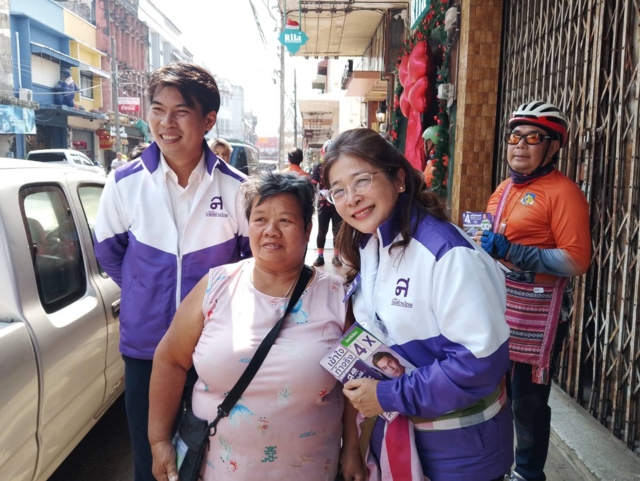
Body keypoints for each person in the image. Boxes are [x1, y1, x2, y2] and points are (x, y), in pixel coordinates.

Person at [323, 127, 513, 481]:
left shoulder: (447, 254)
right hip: (398, 443)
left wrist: (389, 395)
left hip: (460, 455)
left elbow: (480, 364)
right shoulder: (370, 245)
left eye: (362, 180)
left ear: (398, 179)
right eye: (338, 190)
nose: (352, 198)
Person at [148, 172, 365, 481]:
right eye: (260, 219)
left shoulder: (336, 296)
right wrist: (159, 441)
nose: (270, 231)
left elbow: (355, 380)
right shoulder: (217, 285)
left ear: (307, 229)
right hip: (216, 470)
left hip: (309, 469)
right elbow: (169, 359)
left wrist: (352, 447)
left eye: (285, 221)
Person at [93, 62, 252, 481]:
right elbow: (109, 253)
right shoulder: (124, 183)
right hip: (146, 348)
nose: (166, 123)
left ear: (208, 120)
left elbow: (252, 264)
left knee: (213, 456)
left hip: (213, 346)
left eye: (181, 111)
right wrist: (143, 292)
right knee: (152, 459)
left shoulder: (237, 189)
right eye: (158, 109)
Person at [477, 101, 590, 481]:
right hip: (498, 305)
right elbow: (488, 237)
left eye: (533, 138)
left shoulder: (564, 192)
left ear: (553, 147)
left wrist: (514, 251)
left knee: (527, 403)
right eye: (515, 137)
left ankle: (527, 474)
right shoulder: (504, 188)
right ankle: (493, 465)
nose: (520, 145)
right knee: (492, 393)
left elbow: (577, 260)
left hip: (537, 314)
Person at [311, 139, 342, 267]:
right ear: (324, 152)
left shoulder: (339, 167)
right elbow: (313, 184)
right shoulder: (319, 167)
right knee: (322, 230)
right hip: (323, 205)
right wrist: (320, 193)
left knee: (337, 231)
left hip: (337, 204)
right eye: (328, 150)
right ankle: (320, 256)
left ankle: (336, 256)